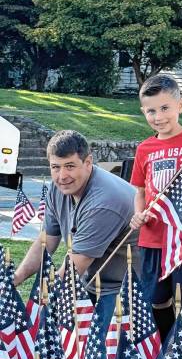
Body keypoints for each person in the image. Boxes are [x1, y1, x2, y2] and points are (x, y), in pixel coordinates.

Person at [129, 74, 182, 341]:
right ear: (144, 111)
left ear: (180, 106)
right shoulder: (145, 148)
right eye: (151, 111)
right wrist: (138, 214)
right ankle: (166, 344)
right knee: (154, 298)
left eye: (165, 108)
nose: (159, 116)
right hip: (152, 237)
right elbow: (140, 191)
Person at [14, 130, 140, 314]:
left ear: (88, 163)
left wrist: (39, 300)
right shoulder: (58, 189)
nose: (62, 176)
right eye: (55, 167)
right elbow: (46, 241)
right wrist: (16, 278)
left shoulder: (103, 202)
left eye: (70, 166)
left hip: (123, 291)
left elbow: (73, 270)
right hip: (90, 282)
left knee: (53, 329)